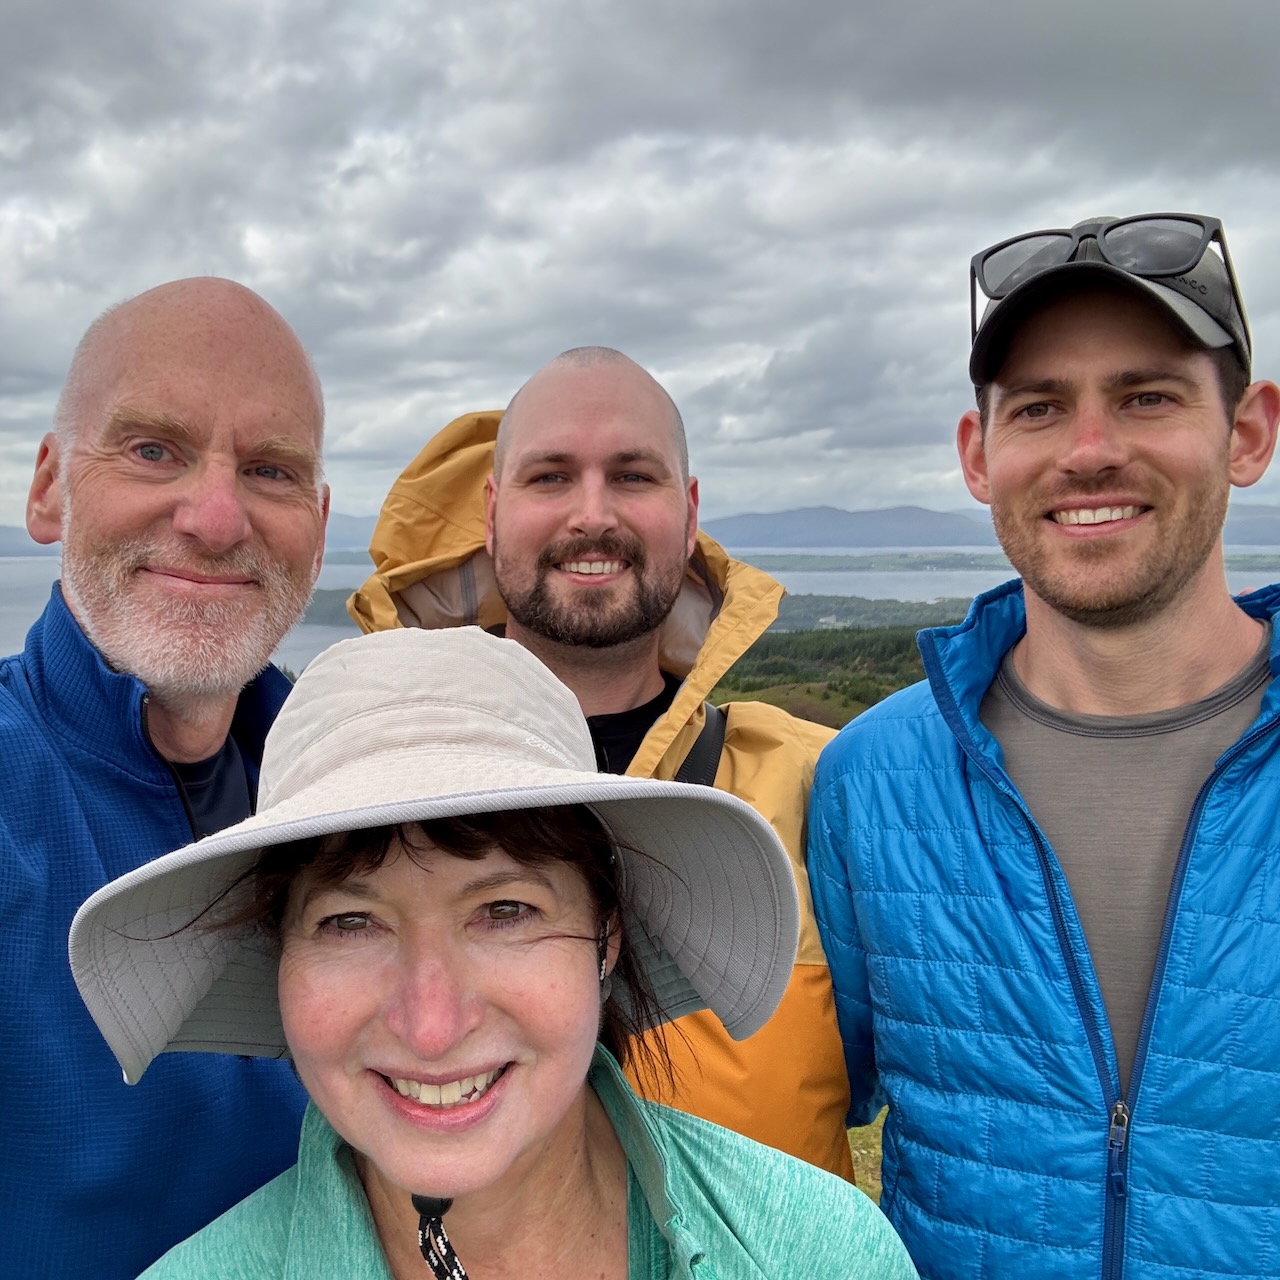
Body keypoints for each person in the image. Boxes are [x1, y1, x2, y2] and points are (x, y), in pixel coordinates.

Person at [69, 627, 916, 1279]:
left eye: (505, 910)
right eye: (350, 923)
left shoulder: (817, 1251)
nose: (432, 1026)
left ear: (607, 937)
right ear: (277, 958)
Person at [809, 212, 1280, 1279]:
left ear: (1246, 432)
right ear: (978, 455)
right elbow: (786, 1110)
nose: (1088, 450)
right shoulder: (869, 779)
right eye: (1038, 407)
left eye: (1145, 395)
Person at [347, 347, 855, 1179]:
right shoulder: (366, 783)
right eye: (550, 477)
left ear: (689, 514)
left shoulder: (819, 784)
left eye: (632, 477)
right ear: (490, 513)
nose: (592, 515)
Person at [4, 278, 329, 1278]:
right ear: (50, 487)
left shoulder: (352, 801)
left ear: (318, 530)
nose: (217, 515)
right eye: (153, 450)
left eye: (269, 470)